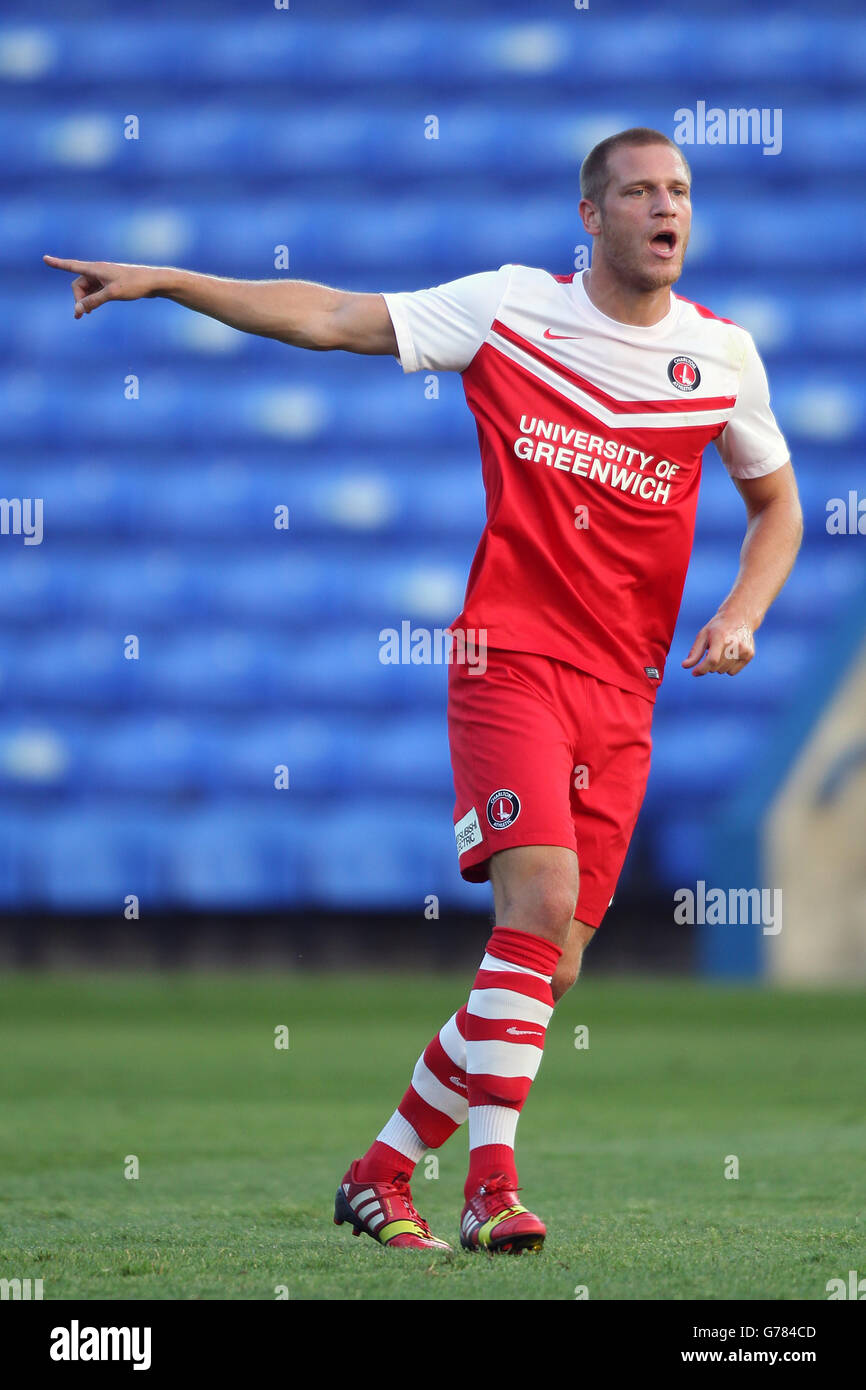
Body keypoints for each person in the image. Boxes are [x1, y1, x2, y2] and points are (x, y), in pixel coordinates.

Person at [45, 126, 803, 1256]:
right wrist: (170, 282)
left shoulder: (721, 358)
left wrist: (741, 611)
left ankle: (380, 1169)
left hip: (624, 689)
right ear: (588, 218)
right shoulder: (509, 308)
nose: (666, 207)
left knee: (550, 960)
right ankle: (489, 1184)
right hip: (510, 656)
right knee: (537, 909)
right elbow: (333, 315)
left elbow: (777, 505)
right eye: (639, 190)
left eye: (680, 190)